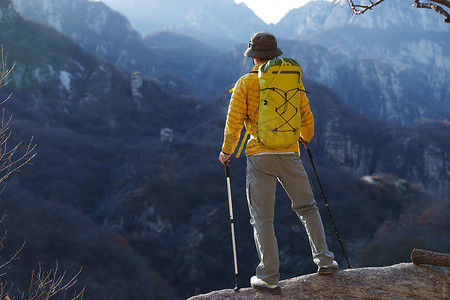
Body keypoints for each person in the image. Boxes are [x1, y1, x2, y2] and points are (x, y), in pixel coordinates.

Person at [218, 32, 338, 294]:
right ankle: (325, 261)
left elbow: (234, 122)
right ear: (275, 55)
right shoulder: (290, 80)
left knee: (262, 218)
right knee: (308, 208)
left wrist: (227, 151)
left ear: (254, 57)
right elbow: (305, 113)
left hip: (260, 157)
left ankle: (268, 276)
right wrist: (306, 138)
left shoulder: (245, 83)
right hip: (289, 154)